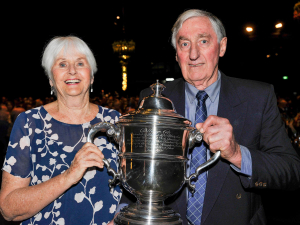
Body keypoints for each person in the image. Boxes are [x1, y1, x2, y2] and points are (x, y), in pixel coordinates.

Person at [119, 9, 300, 225]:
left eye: (203, 41)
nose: (193, 54)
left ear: (222, 47)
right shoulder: (153, 99)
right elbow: (138, 170)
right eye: (184, 44)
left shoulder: (257, 97)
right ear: (177, 53)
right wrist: (124, 213)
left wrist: (237, 154)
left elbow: (291, 170)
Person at [0, 36, 122, 225]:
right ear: (50, 78)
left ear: (92, 76)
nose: (72, 71)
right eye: (62, 64)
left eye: (80, 63)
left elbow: (136, 188)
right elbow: (8, 209)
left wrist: (121, 218)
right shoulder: (29, 123)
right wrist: (69, 175)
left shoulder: (116, 121)